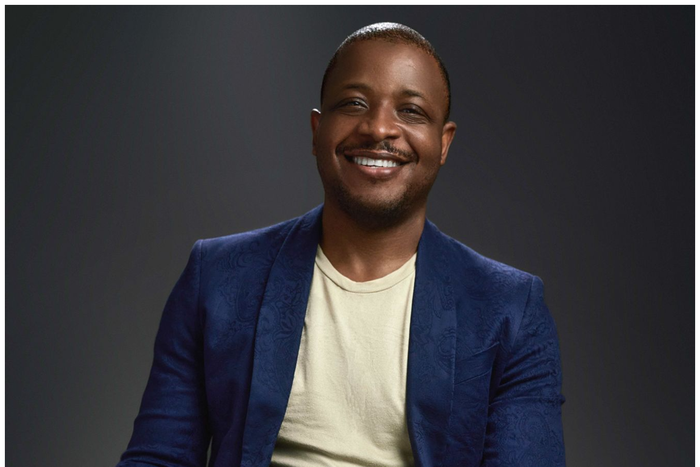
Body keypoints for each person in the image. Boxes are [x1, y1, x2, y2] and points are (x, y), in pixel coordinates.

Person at [116, 22, 566, 467]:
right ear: (317, 130)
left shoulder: (509, 308)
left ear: (443, 143)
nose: (379, 128)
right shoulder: (216, 278)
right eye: (354, 103)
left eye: (410, 111)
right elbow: (158, 458)